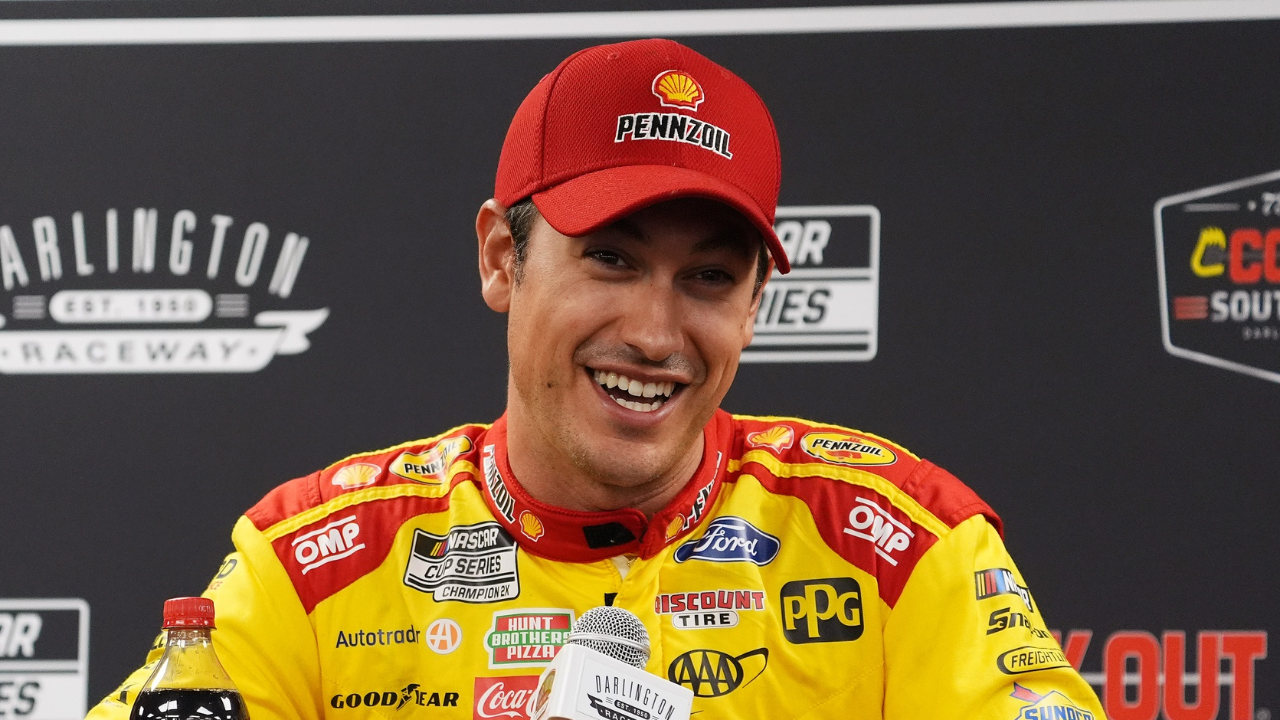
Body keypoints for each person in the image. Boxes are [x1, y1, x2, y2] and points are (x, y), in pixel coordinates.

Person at [89, 38, 1104, 720]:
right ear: (500, 258)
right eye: (610, 260)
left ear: (751, 307)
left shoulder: (899, 548)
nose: (655, 333)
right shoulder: (310, 567)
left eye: (706, 278)